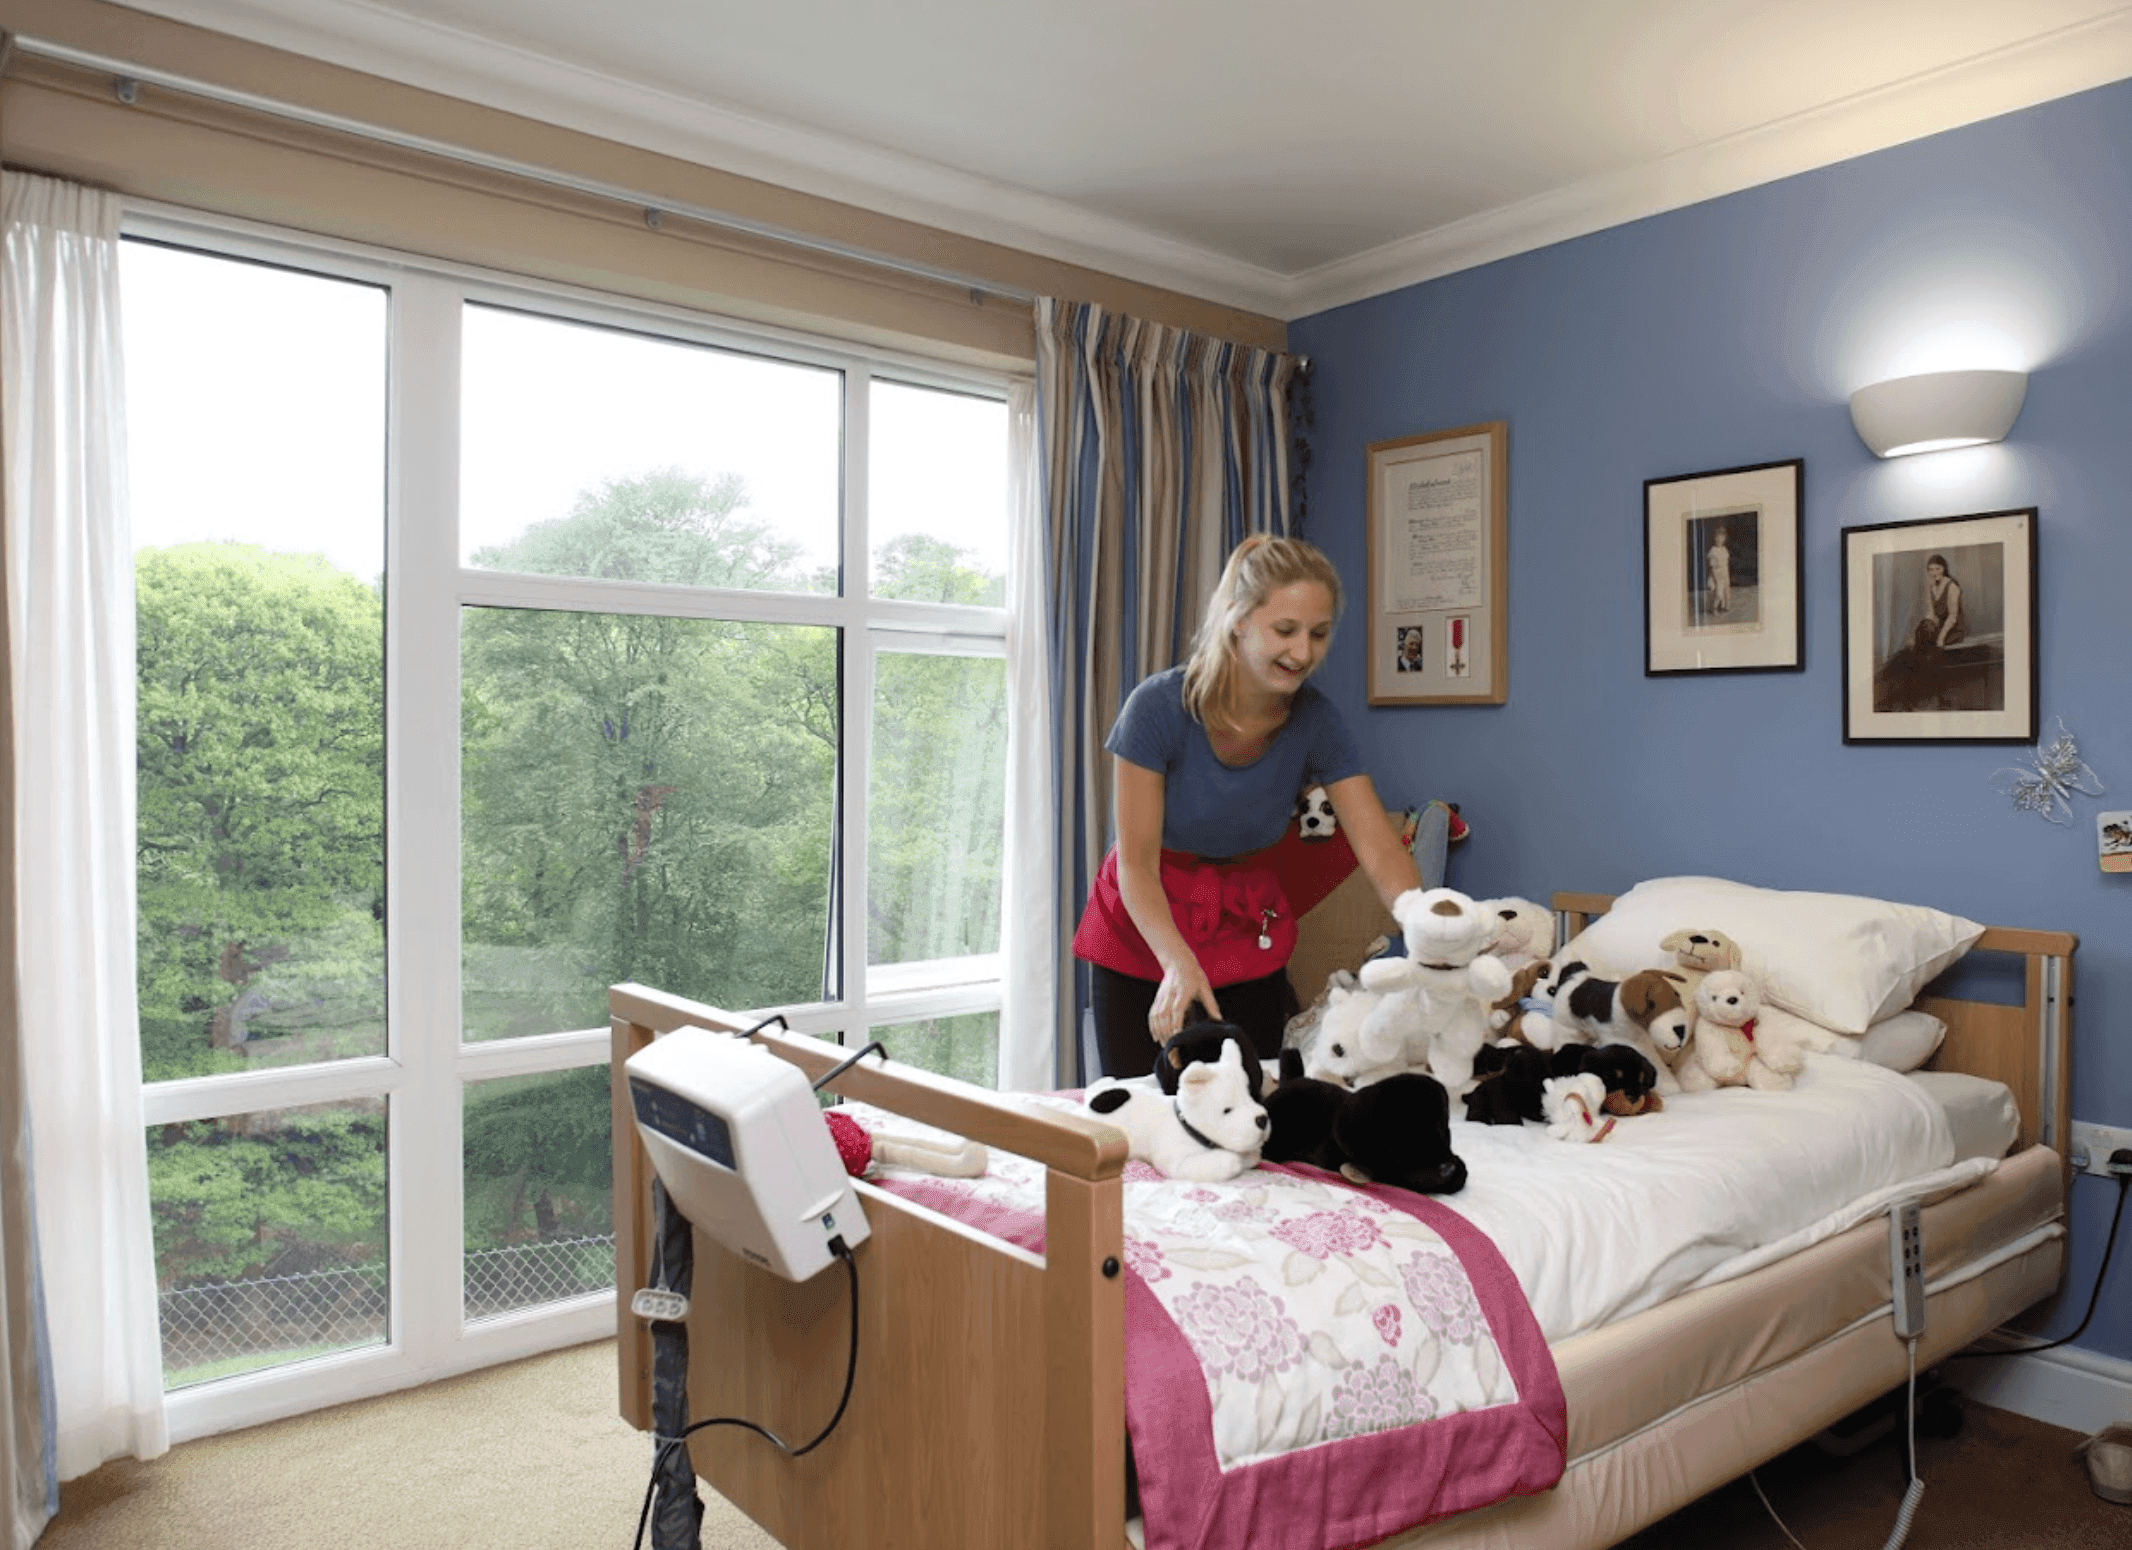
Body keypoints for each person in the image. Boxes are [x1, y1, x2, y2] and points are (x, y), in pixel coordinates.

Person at [1071, 536, 1424, 1078]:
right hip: (1148, 928)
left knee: (1245, 1117)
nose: (1303, 652)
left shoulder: (1316, 722)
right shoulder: (1157, 708)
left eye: (1319, 634)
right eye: (1285, 631)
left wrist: (1430, 933)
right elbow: (1136, 864)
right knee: (1143, 1117)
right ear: (1237, 620)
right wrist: (1176, 962)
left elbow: (1378, 850)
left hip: (1246, 927)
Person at [1914, 554, 1964, 651]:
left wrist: (1941, 637)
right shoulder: (1931, 586)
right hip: (1939, 627)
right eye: (1931, 570)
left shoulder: (1952, 586)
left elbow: (1953, 616)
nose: (1934, 573)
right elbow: (1931, 613)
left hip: (1952, 630)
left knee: (1930, 643)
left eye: (1938, 569)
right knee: (1924, 627)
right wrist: (1923, 629)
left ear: (1944, 568)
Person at [1705, 525, 1732, 614]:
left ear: (1724, 538)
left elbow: (1726, 563)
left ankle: (1723, 606)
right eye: (1718, 537)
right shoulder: (1713, 550)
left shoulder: (1724, 549)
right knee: (1718, 594)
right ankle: (1714, 607)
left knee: (1725, 591)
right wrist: (1712, 578)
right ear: (1715, 538)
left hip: (1724, 574)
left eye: (1722, 537)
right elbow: (1712, 566)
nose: (1720, 539)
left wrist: (1726, 575)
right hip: (1717, 574)